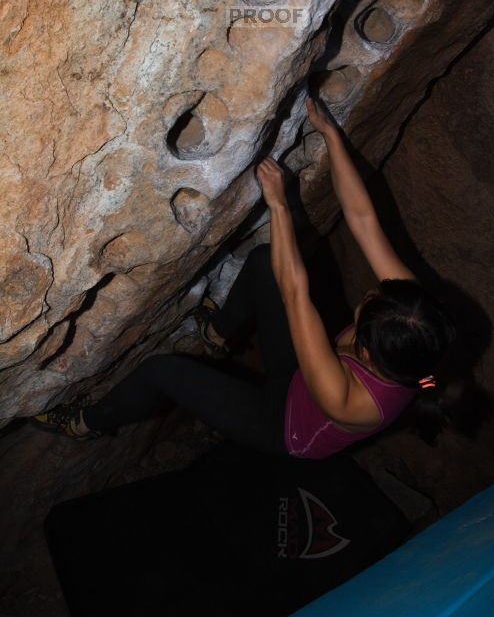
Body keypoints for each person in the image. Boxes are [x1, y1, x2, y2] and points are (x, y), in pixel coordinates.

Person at [32, 96, 456, 459]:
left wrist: (279, 206)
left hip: (282, 423)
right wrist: (330, 134)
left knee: (162, 371)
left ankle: (86, 422)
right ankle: (218, 334)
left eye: (367, 305)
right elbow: (364, 221)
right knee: (263, 261)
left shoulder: (350, 403)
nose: (368, 293)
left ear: (367, 355)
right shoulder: (410, 314)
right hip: (302, 371)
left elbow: (296, 296)